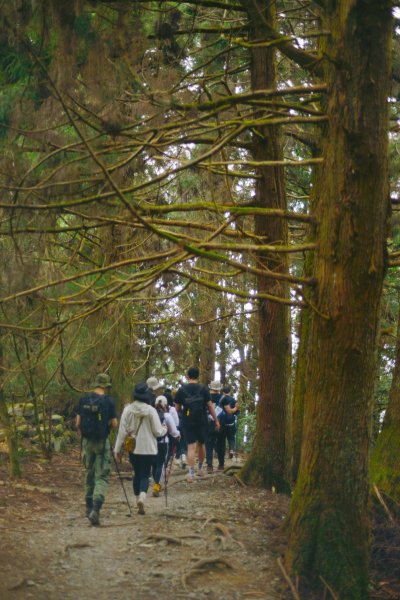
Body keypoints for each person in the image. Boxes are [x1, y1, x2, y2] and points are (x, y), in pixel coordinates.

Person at [114, 382, 167, 514]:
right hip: (149, 448)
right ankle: (143, 496)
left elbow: (122, 432)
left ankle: (137, 498)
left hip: (134, 448)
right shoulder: (151, 411)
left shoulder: (127, 410)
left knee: (137, 473)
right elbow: (157, 432)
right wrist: (165, 429)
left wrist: (117, 449)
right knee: (145, 473)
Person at [76, 372, 118, 526]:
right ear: (106, 386)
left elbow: (78, 423)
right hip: (102, 442)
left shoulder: (84, 399)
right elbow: (114, 424)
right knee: (102, 475)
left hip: (87, 442)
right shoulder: (109, 402)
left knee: (89, 472)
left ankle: (88, 507)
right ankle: (96, 509)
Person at [174, 367, 220, 482]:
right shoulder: (203, 389)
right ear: (197, 376)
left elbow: (177, 408)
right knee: (202, 444)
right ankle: (200, 469)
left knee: (191, 447)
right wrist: (216, 420)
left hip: (188, 420)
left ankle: (191, 474)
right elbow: (210, 405)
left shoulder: (182, 389)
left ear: (187, 376)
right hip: (202, 420)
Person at [152, 395, 180, 497]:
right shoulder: (167, 415)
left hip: (151, 443)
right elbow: (173, 431)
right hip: (163, 442)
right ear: (165, 404)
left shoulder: (151, 414)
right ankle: (157, 485)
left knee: (154, 464)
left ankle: (156, 482)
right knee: (161, 464)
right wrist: (178, 435)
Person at [216, 385, 240, 469]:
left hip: (222, 422)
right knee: (231, 437)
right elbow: (237, 410)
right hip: (231, 422)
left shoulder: (221, 399)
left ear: (223, 392)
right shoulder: (233, 400)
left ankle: (220, 454)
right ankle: (231, 450)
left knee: (221, 439)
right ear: (229, 391)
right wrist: (236, 410)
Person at [206, 380, 223, 473]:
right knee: (220, 444)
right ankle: (221, 465)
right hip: (221, 423)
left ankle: (209, 466)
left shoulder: (206, 397)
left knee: (208, 445)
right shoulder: (223, 398)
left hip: (208, 424)